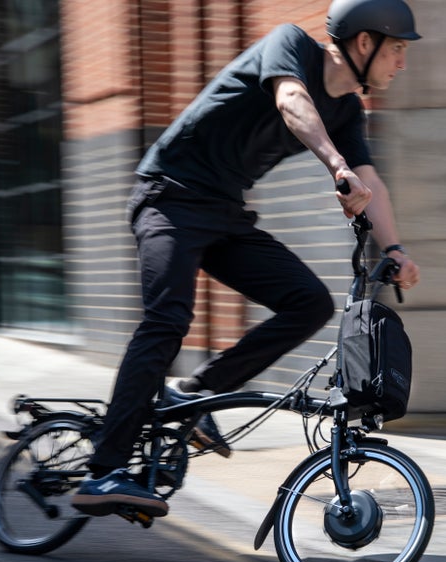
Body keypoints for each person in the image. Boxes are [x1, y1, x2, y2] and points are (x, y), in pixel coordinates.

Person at [71, 0, 422, 518]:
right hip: (168, 195)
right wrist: (335, 166)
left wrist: (394, 249)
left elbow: (370, 180)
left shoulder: (346, 110)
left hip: (223, 211)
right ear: (363, 43)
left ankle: (194, 394)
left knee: (307, 302)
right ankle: (104, 471)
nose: (402, 62)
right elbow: (291, 100)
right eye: (396, 48)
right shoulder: (290, 46)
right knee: (167, 321)